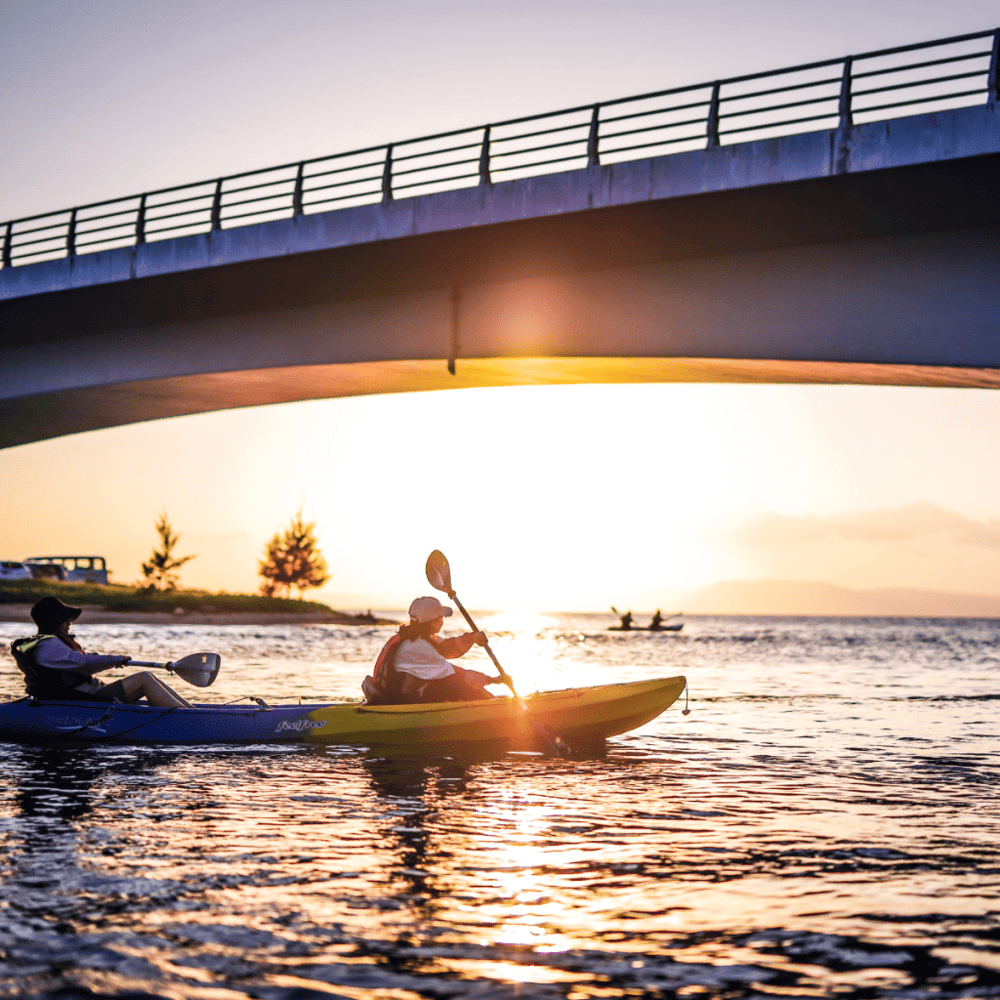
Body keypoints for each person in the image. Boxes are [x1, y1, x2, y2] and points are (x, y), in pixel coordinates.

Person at [11, 597, 192, 708]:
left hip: (89, 695)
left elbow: (77, 662)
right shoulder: (49, 645)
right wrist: (113, 660)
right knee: (144, 678)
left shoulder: (49, 644)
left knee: (149, 677)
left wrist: (101, 659)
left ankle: (190, 711)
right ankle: (188, 716)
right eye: (65, 620)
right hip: (88, 699)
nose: (69, 624)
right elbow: (82, 663)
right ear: (54, 622)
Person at [362, 596, 500, 704]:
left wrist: (472, 638)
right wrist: (494, 680)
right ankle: (490, 706)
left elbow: (447, 647)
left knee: (453, 682)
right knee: (454, 683)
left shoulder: (413, 636)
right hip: (397, 702)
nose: (442, 621)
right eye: (440, 618)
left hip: (395, 695)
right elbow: (457, 675)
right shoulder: (417, 646)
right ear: (432, 622)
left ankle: (490, 702)